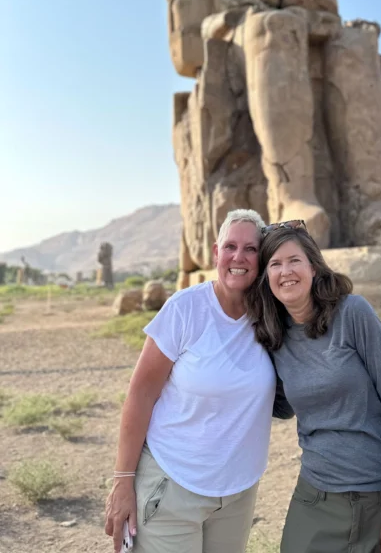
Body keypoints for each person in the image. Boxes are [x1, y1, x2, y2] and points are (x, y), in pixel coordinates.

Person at [105, 208, 292, 553]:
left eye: (251, 249)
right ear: (215, 252)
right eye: (230, 246)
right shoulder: (185, 309)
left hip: (237, 494)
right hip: (173, 486)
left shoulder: (272, 315)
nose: (239, 257)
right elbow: (141, 393)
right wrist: (122, 481)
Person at [247, 220, 381, 553]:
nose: (285, 271)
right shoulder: (273, 338)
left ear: (314, 267)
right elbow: (284, 406)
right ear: (266, 277)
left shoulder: (352, 314)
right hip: (318, 497)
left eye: (294, 260)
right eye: (275, 264)